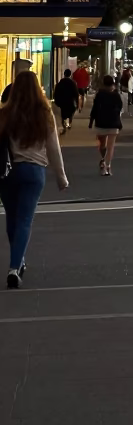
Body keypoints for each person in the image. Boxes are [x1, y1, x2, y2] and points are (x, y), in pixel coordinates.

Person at [0, 70, 69, 288]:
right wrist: (61, 176)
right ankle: (14, 267)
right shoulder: (44, 113)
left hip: (8, 172)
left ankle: (17, 262)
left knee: (11, 218)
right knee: (24, 220)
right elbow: (53, 148)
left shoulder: (4, 113)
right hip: (34, 171)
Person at [88, 75, 123, 176]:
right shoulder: (116, 95)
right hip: (114, 123)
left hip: (101, 123)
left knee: (102, 145)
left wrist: (91, 121)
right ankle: (107, 166)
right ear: (113, 84)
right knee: (110, 147)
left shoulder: (100, 95)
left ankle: (104, 160)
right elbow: (120, 108)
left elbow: (94, 108)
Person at [53, 69, 80, 134]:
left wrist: (56, 101)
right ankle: (69, 123)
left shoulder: (60, 83)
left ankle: (64, 125)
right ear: (70, 75)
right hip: (70, 101)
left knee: (63, 114)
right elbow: (76, 94)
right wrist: (77, 102)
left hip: (62, 102)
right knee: (71, 112)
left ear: (64, 74)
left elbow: (55, 93)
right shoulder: (73, 83)